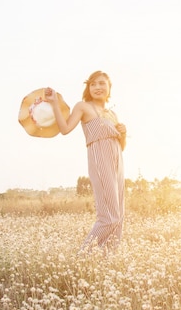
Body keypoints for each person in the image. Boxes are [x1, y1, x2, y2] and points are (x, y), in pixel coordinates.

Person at [45, 71, 127, 254]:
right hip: (100, 159)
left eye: (101, 83)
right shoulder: (83, 107)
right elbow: (65, 129)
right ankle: (82, 257)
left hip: (117, 161)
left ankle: (107, 261)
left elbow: (121, 146)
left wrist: (124, 133)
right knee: (109, 217)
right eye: (93, 84)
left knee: (119, 216)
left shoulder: (112, 113)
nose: (97, 87)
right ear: (88, 88)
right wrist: (55, 103)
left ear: (109, 88)